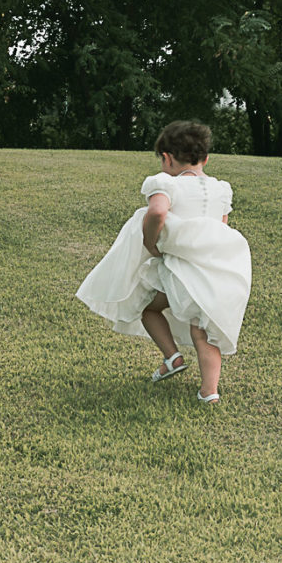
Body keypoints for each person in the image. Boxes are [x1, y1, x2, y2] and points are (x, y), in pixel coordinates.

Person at [75, 120, 251, 403]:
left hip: (179, 269)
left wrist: (149, 241)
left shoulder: (165, 183)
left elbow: (157, 212)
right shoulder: (221, 189)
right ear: (205, 158)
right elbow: (221, 225)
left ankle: (172, 356)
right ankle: (209, 392)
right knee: (203, 331)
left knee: (148, 308)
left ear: (166, 158)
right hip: (218, 271)